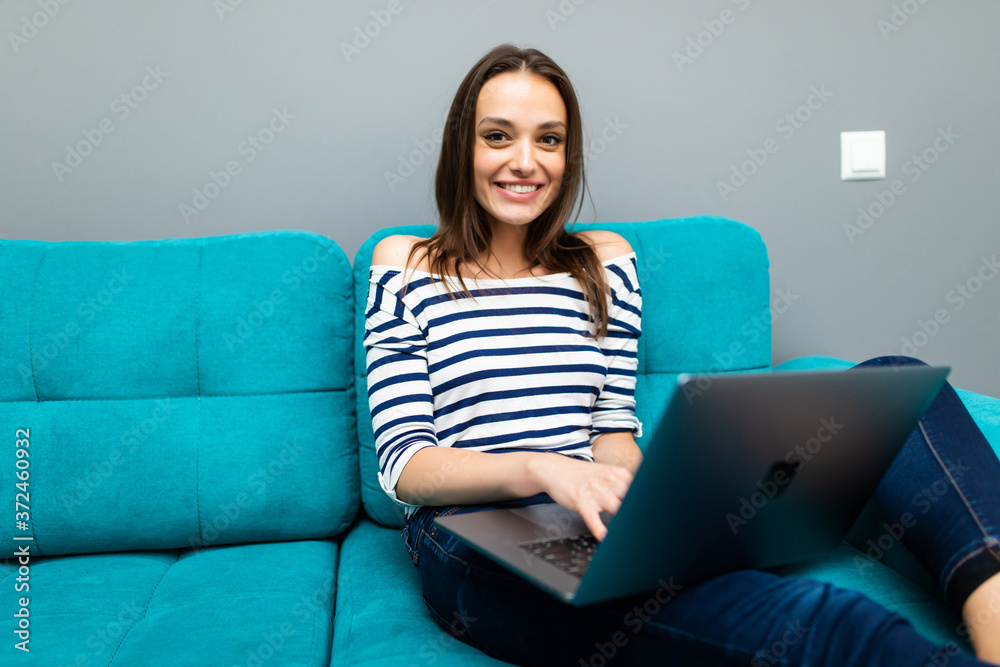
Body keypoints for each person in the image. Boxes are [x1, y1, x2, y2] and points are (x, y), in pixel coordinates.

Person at [363, 43, 1000, 666]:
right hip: (470, 530)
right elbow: (404, 465)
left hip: (597, 515)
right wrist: (547, 470)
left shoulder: (603, 263)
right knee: (813, 622)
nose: (525, 162)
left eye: (549, 140)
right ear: (462, 147)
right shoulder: (406, 264)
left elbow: (611, 432)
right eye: (498, 136)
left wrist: (663, 509)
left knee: (899, 381)